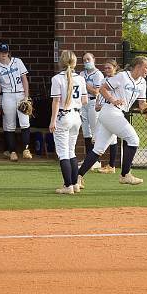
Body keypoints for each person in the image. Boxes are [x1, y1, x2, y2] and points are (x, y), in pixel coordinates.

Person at [76, 56, 147, 187]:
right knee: (133, 140)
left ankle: (77, 177)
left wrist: (146, 108)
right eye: (146, 67)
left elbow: (141, 103)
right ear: (138, 66)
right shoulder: (122, 76)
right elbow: (103, 88)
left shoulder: (142, 82)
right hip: (111, 111)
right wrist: (113, 99)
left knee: (98, 149)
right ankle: (125, 175)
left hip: (116, 114)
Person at [49, 50, 88, 194]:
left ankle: (68, 186)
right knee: (71, 151)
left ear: (61, 62)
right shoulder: (81, 78)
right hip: (76, 116)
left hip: (63, 116)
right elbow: (84, 101)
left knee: (63, 153)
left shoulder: (57, 78)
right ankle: (75, 184)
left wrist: (52, 121)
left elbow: (56, 101)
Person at [0, 43, 32, 161]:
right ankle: (12, 152)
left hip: (20, 95)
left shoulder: (18, 61)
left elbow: (25, 80)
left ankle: (26, 149)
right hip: (7, 96)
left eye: (5, 52)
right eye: (1, 52)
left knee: (25, 122)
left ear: (8, 52)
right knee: (10, 126)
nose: (4, 54)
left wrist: (26, 97)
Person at [94, 59, 120, 174]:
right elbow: (100, 94)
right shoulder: (104, 80)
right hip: (103, 111)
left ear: (115, 68)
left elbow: (114, 97)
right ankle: (101, 162)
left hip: (113, 111)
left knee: (113, 138)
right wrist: (97, 104)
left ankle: (112, 165)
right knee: (98, 136)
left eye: (109, 68)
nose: (107, 70)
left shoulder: (117, 80)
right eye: (105, 68)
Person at [80, 52, 104, 159]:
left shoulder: (98, 74)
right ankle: (88, 159)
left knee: (94, 130)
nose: (86, 62)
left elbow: (96, 92)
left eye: (88, 59)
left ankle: (96, 160)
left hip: (93, 102)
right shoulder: (81, 74)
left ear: (94, 60)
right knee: (86, 131)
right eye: (84, 60)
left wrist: (84, 83)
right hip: (83, 102)